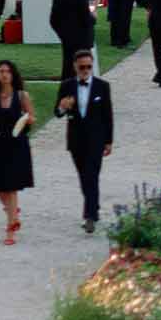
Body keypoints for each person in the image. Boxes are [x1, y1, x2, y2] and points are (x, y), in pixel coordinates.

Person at [55, 48, 112, 232]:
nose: (86, 70)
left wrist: (109, 140)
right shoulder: (66, 86)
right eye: (82, 67)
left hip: (96, 139)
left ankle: (89, 216)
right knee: (84, 177)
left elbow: (107, 115)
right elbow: (56, 112)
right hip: (76, 140)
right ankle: (93, 207)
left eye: (89, 66)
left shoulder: (102, 86)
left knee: (91, 176)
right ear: (75, 67)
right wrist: (63, 108)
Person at [0, 58, 35, 245]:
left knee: (11, 187)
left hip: (16, 144)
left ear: (13, 75)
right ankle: (12, 211)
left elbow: (32, 116)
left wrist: (28, 120)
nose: (3, 74)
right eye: (0, 71)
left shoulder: (22, 96)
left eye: (7, 71)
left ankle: (10, 230)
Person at [50, 0, 95, 72]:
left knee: (67, 64)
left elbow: (53, 20)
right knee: (81, 65)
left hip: (66, 37)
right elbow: (86, 19)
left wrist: (62, 34)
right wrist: (93, 18)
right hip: (81, 38)